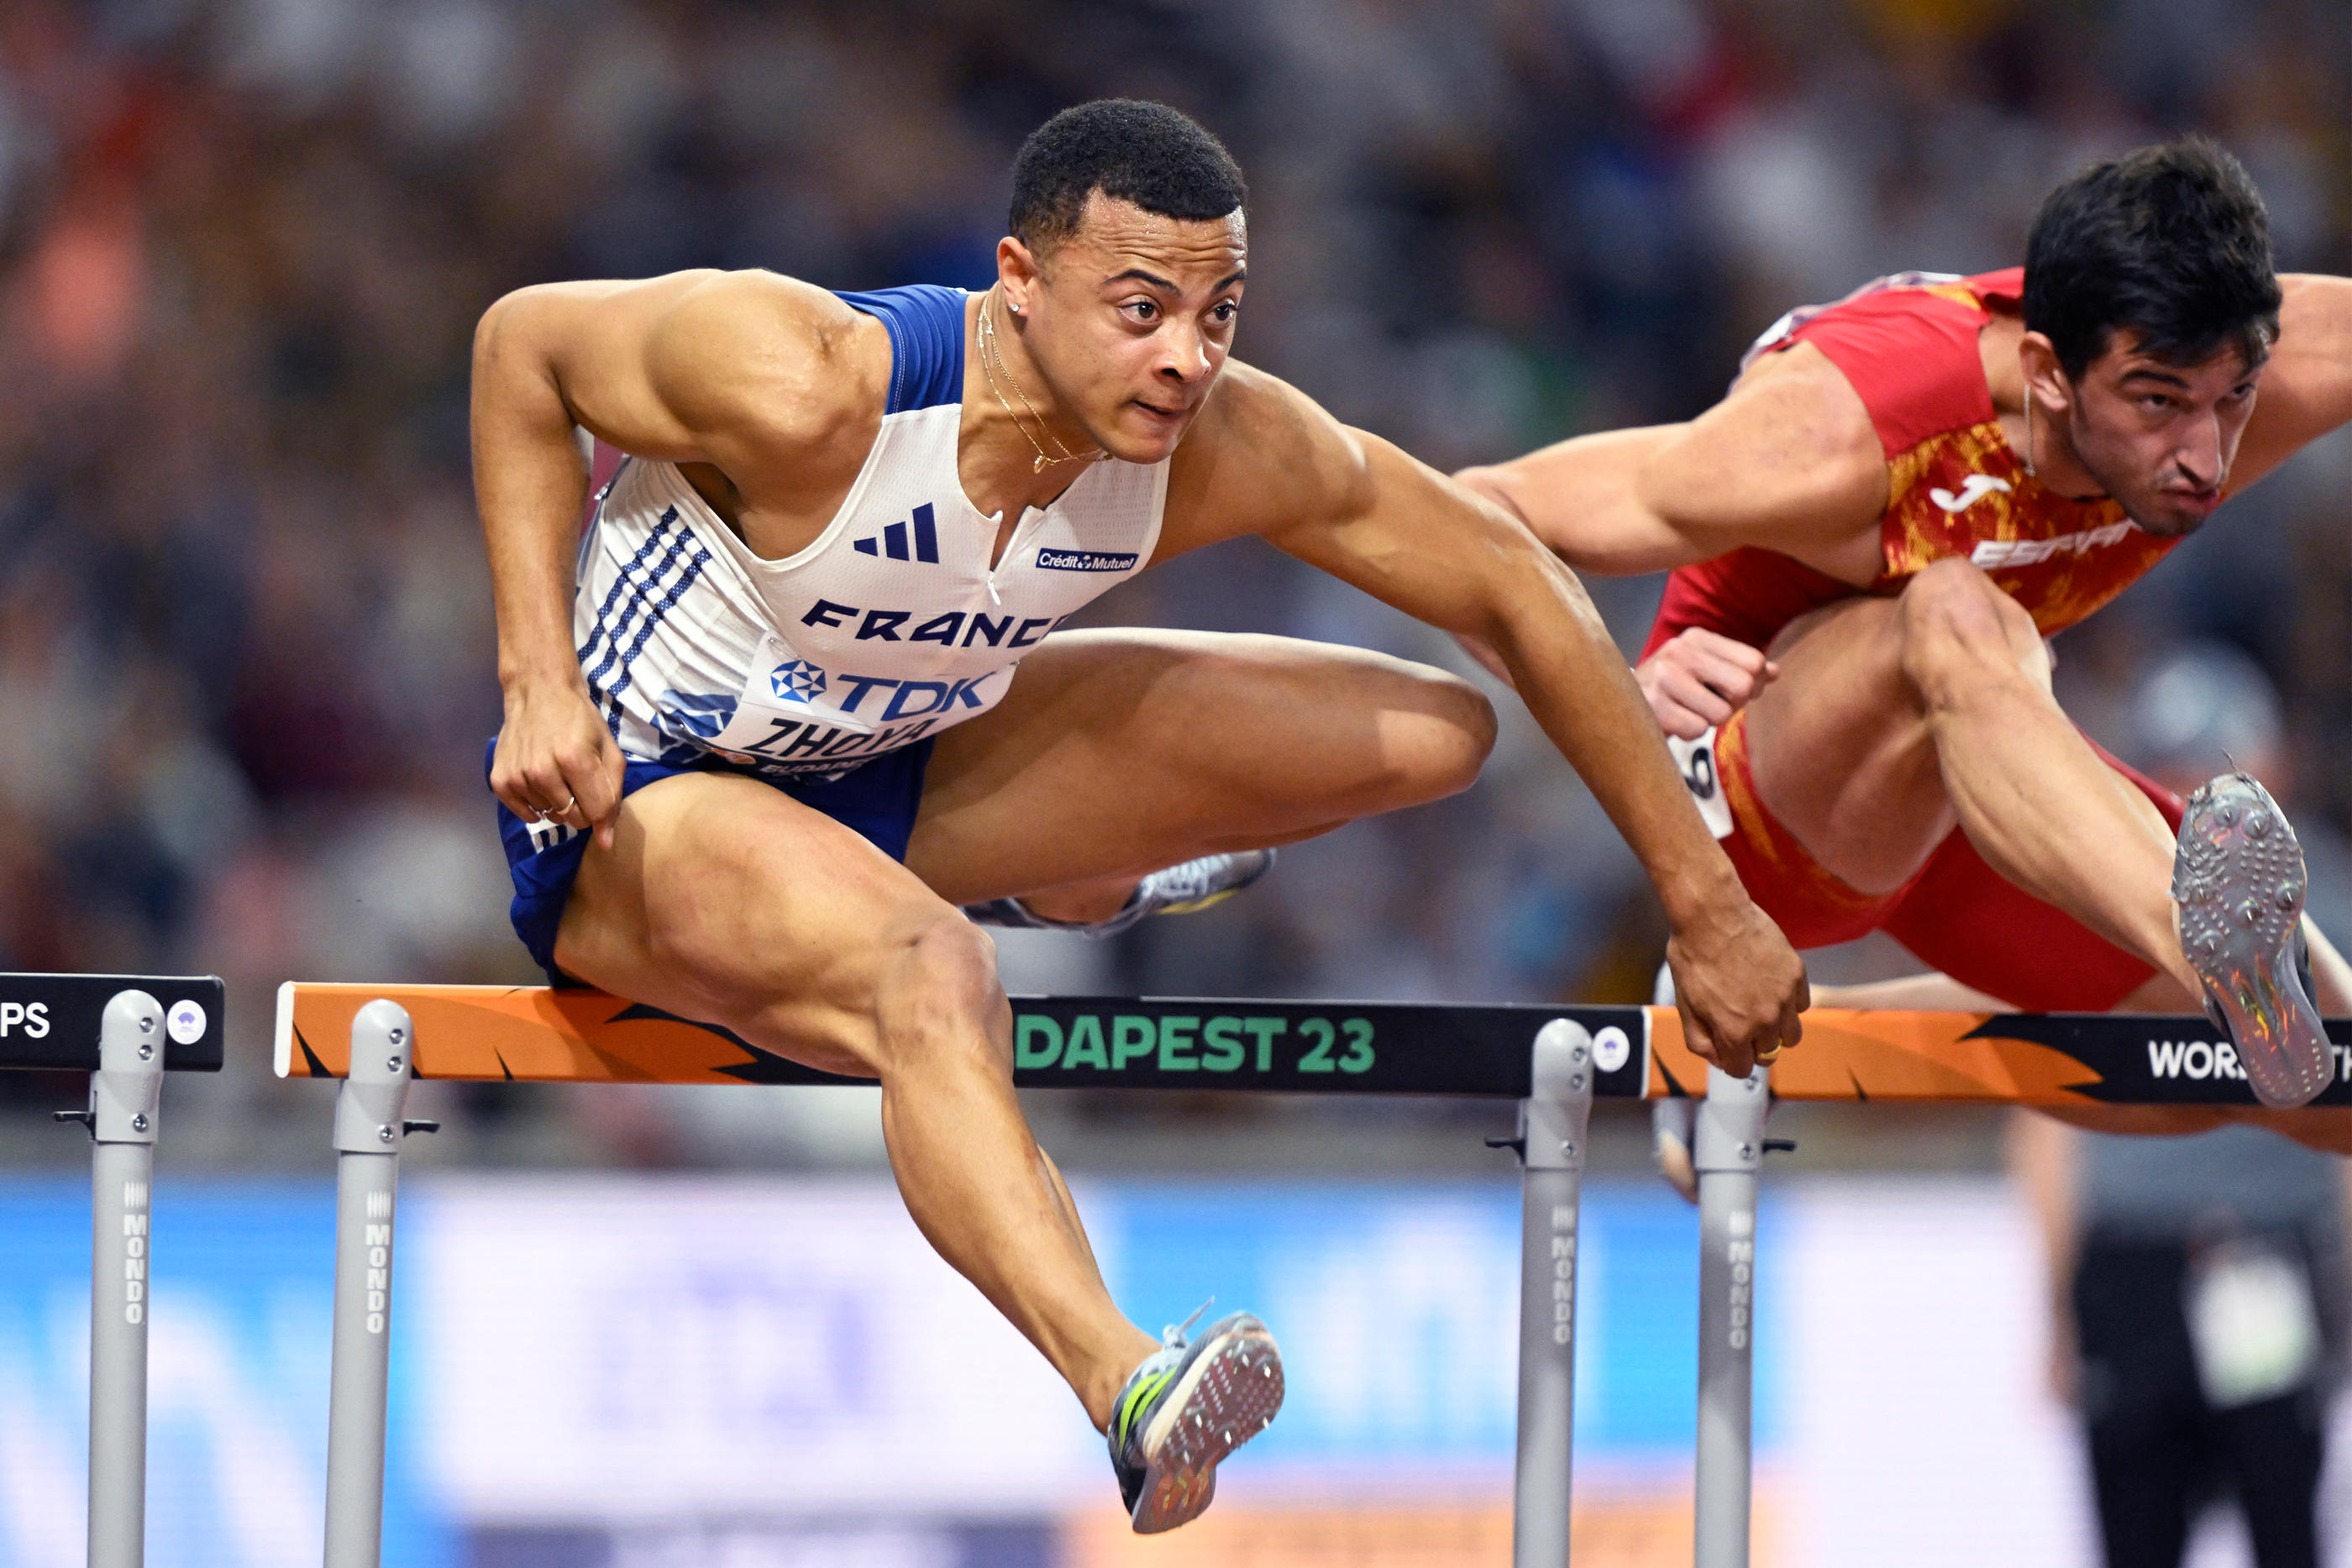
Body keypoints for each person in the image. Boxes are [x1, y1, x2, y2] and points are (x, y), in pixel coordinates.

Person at [470, 99, 1806, 1531]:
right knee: (935, 978)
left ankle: (1040, 875)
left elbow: (1509, 580)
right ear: (1019, 282)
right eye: (1141, 307)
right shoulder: (808, 384)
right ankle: (1131, 1384)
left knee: (1438, 730)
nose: (1186, 356)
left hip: (903, 762)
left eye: (1220, 311)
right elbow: (520, 351)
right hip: (647, 798)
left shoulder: (1214, 438)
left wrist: (1706, 900)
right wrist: (539, 679)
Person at [1457, 138, 2352, 1136]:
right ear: (2047, 371)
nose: (2202, 454)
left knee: (2331, 1083)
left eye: (2233, 400)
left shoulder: (2263, 356)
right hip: (1760, 798)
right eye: (2157, 403)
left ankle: (1799, 1030)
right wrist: (1621, 681)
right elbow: (1467, 521)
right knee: (1953, 607)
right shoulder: (1835, 434)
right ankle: (2211, 949)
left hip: (1976, 792)